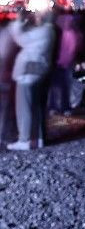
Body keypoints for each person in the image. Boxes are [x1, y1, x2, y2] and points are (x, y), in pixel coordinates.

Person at [7, 11, 55, 151]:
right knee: (36, 106)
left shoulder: (42, 32)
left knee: (24, 106)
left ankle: (25, 140)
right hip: (39, 69)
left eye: (39, 16)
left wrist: (19, 20)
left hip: (28, 71)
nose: (36, 17)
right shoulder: (49, 31)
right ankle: (38, 138)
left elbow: (20, 37)